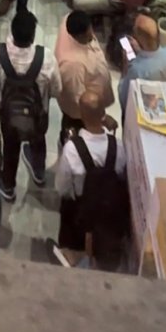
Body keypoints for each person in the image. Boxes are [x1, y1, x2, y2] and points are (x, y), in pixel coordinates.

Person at [0, 8, 60, 202]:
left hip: (9, 116)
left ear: (12, 31)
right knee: (38, 142)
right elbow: (57, 91)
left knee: (10, 148)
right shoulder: (47, 58)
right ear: (33, 35)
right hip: (37, 116)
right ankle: (39, 173)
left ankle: (8, 186)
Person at [54, 89, 129, 271]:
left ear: (81, 115)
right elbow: (120, 173)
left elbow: (62, 187)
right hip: (108, 214)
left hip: (78, 212)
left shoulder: (72, 149)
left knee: (72, 251)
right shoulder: (117, 147)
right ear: (104, 114)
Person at [55, 11, 113, 131]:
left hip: (95, 99)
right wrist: (101, 118)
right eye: (87, 34)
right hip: (82, 117)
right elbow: (77, 100)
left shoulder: (71, 20)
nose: (91, 35)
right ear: (77, 36)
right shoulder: (72, 66)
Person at [117, 13, 166, 114]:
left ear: (138, 38)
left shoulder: (136, 70)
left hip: (142, 110)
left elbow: (123, 98)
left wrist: (125, 65)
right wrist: (141, 51)